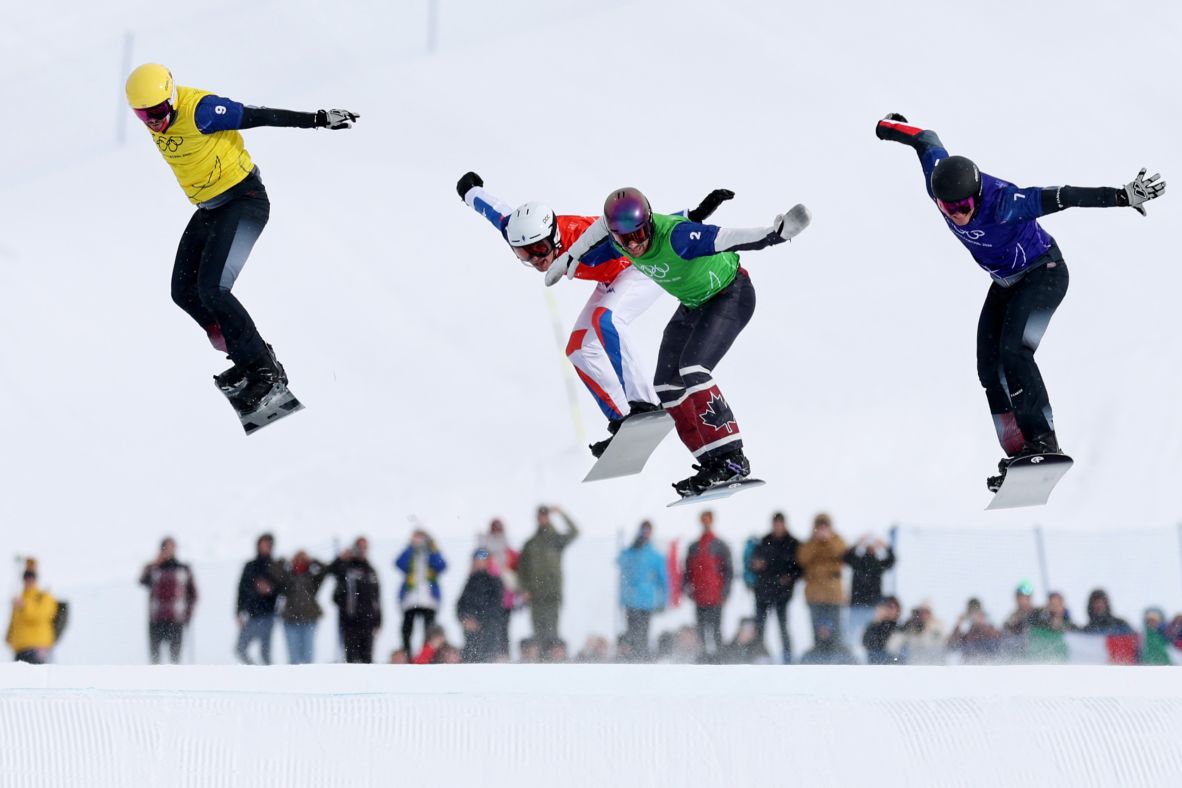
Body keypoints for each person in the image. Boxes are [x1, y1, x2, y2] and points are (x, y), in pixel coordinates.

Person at [876, 114, 1166, 490]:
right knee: (988, 367)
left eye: (964, 204)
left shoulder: (1004, 202)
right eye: (949, 209)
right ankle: (1019, 453)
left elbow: (1065, 196)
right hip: (1006, 281)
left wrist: (1121, 196)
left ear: (977, 193)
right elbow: (927, 140)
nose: (959, 215)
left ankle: (1043, 439)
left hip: (1044, 271)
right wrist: (890, 126)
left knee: (1015, 351)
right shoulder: (940, 185)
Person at [123, 63, 358, 414]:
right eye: (144, 116)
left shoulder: (201, 111)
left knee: (213, 288)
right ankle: (248, 358)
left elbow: (259, 115)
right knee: (183, 291)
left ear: (171, 99)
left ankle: (266, 371)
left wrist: (318, 118)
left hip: (243, 201)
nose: (153, 122)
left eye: (157, 112)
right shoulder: (158, 115)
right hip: (210, 208)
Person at [546, 188, 811, 495]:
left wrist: (774, 234)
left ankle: (733, 459)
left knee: (693, 370)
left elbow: (730, 237)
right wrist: (569, 256)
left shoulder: (677, 237)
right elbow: (592, 235)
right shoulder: (612, 232)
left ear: (649, 223)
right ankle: (713, 462)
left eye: (641, 235)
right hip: (693, 304)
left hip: (731, 294)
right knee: (667, 385)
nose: (635, 245)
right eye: (625, 240)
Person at [457, 173, 735, 456]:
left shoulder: (579, 236)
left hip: (639, 268)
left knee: (607, 319)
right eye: (523, 254)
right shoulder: (516, 229)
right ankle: (622, 417)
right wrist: (470, 191)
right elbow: (495, 212)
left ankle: (645, 404)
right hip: (611, 279)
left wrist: (692, 215)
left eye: (540, 249)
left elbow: (641, 224)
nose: (537, 260)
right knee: (578, 349)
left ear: (553, 235)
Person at [516, 505, 580, 645]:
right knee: (537, 634)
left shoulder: (556, 539)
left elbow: (575, 532)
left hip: (552, 594)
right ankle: (539, 664)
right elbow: (522, 570)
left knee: (552, 635)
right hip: (535, 595)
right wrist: (525, 589)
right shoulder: (530, 544)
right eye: (540, 516)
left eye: (545, 515)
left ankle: (552, 664)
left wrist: (561, 513)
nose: (543, 518)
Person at [749, 512, 800, 663]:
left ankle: (788, 658)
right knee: (760, 628)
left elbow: (799, 568)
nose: (777, 526)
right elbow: (754, 563)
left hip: (783, 593)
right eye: (775, 523)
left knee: (783, 627)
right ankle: (758, 656)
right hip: (763, 591)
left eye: (780, 523)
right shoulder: (764, 541)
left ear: (784, 524)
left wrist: (790, 578)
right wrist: (756, 565)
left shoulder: (793, 543)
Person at [139, 537, 198, 664]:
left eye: (171, 548)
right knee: (155, 658)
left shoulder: (183, 568)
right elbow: (142, 580)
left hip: (176, 619)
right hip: (156, 618)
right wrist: (156, 562)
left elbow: (192, 594)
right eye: (166, 548)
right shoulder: (154, 568)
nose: (168, 551)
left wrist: (189, 612)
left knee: (175, 657)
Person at [683, 510, 733, 659]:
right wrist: (688, 589)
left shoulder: (720, 546)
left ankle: (719, 658)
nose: (705, 523)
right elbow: (688, 571)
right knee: (701, 630)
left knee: (716, 630)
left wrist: (725, 592)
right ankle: (704, 658)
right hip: (699, 596)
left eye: (708, 520)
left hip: (716, 596)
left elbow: (728, 571)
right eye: (703, 520)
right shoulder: (693, 547)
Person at [616, 520, 669, 659]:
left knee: (643, 633)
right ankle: (633, 658)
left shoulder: (654, 554)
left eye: (647, 531)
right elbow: (620, 563)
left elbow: (663, 580)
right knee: (631, 633)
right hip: (631, 600)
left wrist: (663, 600)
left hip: (646, 601)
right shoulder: (631, 551)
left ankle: (643, 659)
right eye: (643, 530)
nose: (645, 534)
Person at [328, 538, 383, 663]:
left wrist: (379, 620)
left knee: (367, 658)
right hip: (350, 621)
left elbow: (377, 598)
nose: (362, 551)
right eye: (360, 547)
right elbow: (332, 570)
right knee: (351, 659)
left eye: (365, 548)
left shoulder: (371, 570)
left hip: (368, 621)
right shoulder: (347, 567)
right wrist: (341, 557)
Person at [394, 530, 447, 656]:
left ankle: (426, 656)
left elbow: (441, 566)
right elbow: (399, 563)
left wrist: (432, 547)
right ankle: (407, 655)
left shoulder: (431, 553)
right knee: (407, 629)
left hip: (429, 600)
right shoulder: (410, 553)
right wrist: (410, 546)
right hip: (410, 600)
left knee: (428, 630)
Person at [796, 513, 848, 642]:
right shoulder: (809, 543)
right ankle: (817, 659)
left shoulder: (837, 540)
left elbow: (843, 555)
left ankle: (836, 659)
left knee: (836, 632)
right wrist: (816, 542)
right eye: (819, 526)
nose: (822, 529)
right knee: (817, 632)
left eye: (825, 526)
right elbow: (802, 559)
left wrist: (828, 540)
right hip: (814, 595)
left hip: (834, 596)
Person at [273, 550, 329, 664]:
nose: (300, 563)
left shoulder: (312, 578)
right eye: (297, 560)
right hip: (290, 620)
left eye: (303, 560)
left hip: (309, 619)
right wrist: (282, 562)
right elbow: (274, 572)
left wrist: (313, 561)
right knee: (294, 658)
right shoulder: (287, 577)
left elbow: (325, 570)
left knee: (308, 656)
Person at [843, 534, 895, 657]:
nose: (871, 549)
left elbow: (891, 561)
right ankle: (851, 658)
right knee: (852, 636)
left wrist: (886, 547)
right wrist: (858, 543)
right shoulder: (858, 561)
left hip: (873, 606)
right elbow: (846, 557)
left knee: (870, 635)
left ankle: (869, 658)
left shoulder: (878, 563)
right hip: (856, 605)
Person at [455, 548, 507, 663]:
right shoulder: (470, 581)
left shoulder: (494, 580)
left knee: (487, 660)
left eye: (482, 559)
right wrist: (465, 618)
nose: (478, 562)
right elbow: (460, 605)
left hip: (489, 631)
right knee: (471, 659)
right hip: (471, 634)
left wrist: (478, 620)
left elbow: (496, 606)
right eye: (476, 559)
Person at [235, 533, 279, 665]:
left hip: (268, 615)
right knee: (240, 649)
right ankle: (255, 671)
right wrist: (238, 612)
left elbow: (283, 588)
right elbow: (241, 590)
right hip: (252, 615)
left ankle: (268, 679)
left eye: (268, 544)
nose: (265, 547)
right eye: (263, 544)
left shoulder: (275, 566)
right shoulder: (250, 566)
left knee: (265, 653)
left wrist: (270, 589)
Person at [478, 518, 519, 656]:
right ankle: (489, 654)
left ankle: (503, 654)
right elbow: (479, 558)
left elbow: (517, 565)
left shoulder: (508, 550)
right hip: (489, 596)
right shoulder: (485, 550)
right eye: (495, 529)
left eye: (499, 529)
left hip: (506, 597)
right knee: (489, 627)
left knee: (504, 627)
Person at [6, 561, 58, 664]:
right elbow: (14, 621)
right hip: (19, 648)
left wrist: (24, 606)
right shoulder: (20, 598)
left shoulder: (44, 597)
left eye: (31, 576)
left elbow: (41, 615)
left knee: (34, 678)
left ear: (36, 578)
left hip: (37, 646)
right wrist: (9, 636)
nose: (28, 579)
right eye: (26, 576)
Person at [947, 598, 1003, 664]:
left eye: (975, 611)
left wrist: (981, 625)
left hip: (987, 662)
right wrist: (958, 625)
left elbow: (997, 639)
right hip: (968, 662)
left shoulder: (990, 628)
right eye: (971, 611)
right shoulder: (967, 633)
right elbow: (952, 645)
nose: (973, 615)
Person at [863, 596, 902, 665]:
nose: (891, 611)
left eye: (894, 607)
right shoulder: (874, 627)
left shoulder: (901, 628)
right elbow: (869, 644)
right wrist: (878, 622)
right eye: (889, 607)